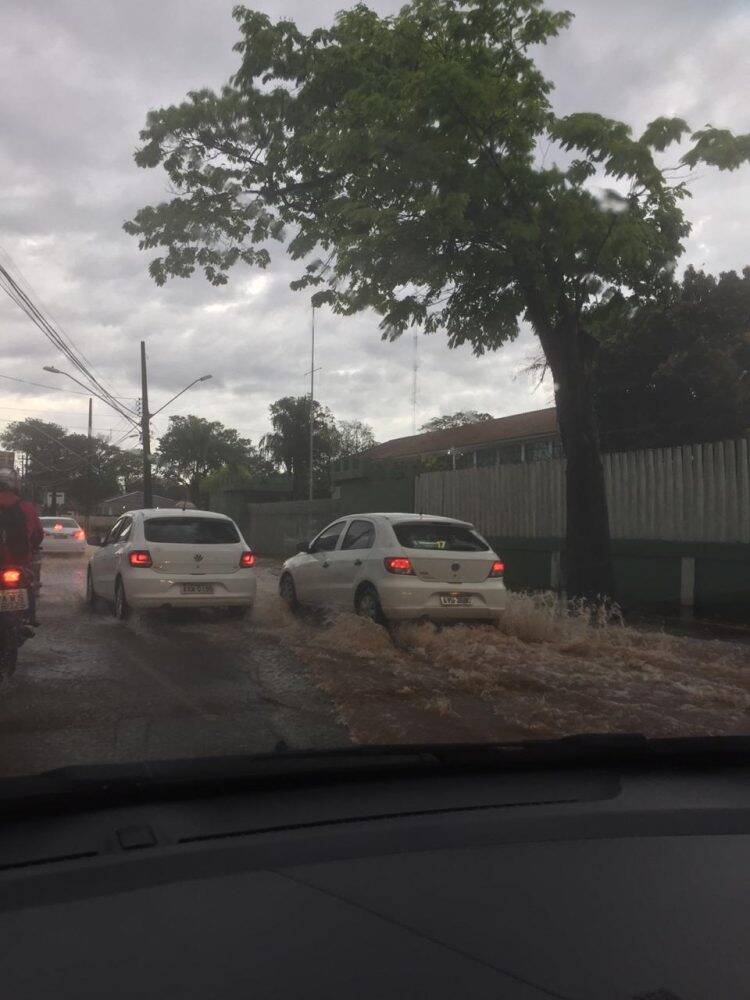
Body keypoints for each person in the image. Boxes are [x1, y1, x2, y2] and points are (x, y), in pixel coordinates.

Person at [0, 468, 44, 626]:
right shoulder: (26, 507)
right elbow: (38, 535)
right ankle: (30, 617)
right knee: (29, 583)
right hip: (19, 561)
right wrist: (33, 547)